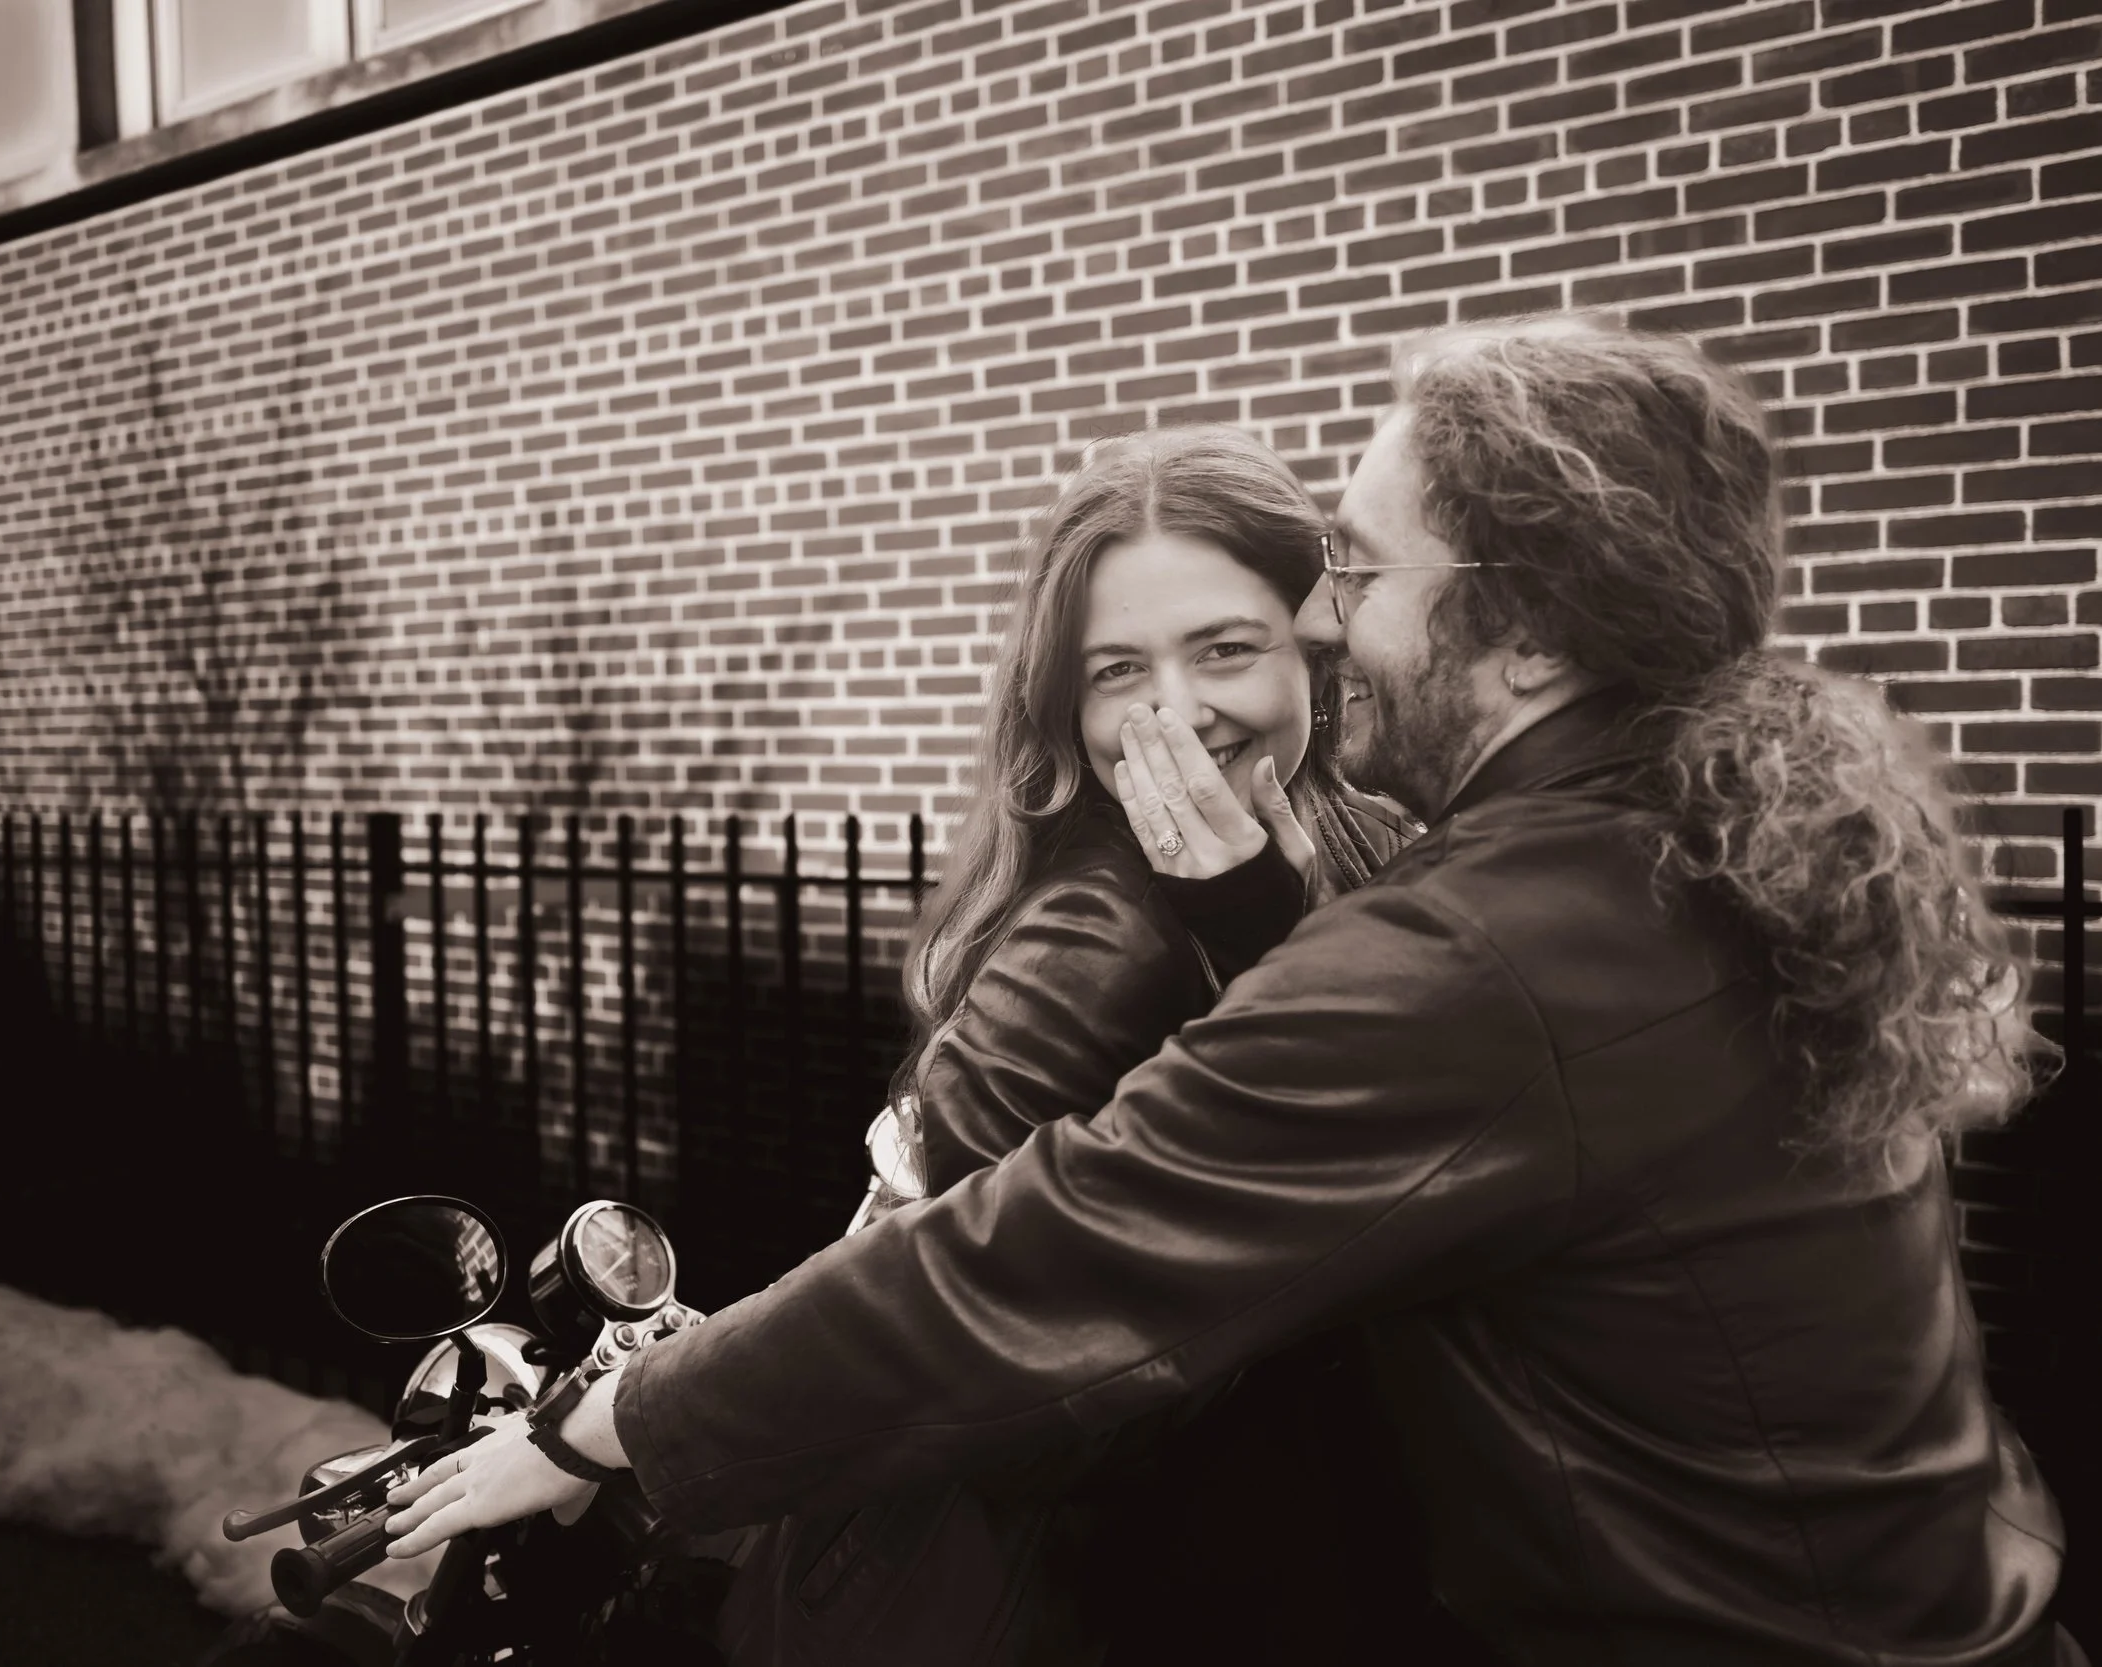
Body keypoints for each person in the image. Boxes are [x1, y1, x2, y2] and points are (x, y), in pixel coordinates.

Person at [390, 316, 2076, 1665]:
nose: (1326, 617)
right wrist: (1262, 917)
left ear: (1529, 637)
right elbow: (1461, 1127)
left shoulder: (1487, 945)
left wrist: (613, 1420)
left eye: (1362, 571)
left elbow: (1046, 1248)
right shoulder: (1693, 841)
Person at [718, 424, 1419, 1663]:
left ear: (1316, 642)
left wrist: (1262, 929)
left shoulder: (1367, 846)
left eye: (1225, 647)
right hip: (1109, 1597)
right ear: (1064, 698)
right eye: (1117, 670)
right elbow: (936, 1297)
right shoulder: (1104, 922)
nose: (1175, 710)